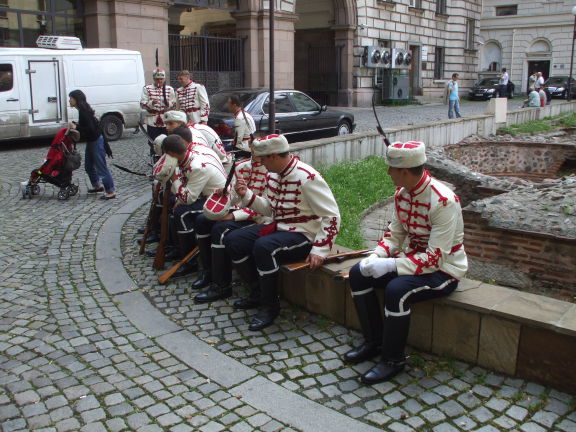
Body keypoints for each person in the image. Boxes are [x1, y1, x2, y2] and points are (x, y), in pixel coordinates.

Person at [344, 141, 467, 385]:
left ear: (404, 171)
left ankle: (393, 360)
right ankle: (373, 342)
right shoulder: (402, 194)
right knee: (358, 273)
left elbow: (435, 258)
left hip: (445, 270)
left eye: (391, 168)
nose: (388, 172)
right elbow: (395, 233)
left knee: (397, 290)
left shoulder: (443, 202)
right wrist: (377, 255)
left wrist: (390, 266)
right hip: (412, 261)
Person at [226, 134, 341, 331]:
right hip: (279, 228)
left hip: (304, 234)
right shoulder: (272, 175)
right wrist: (247, 195)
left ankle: (270, 307)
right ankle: (257, 293)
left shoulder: (307, 177)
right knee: (234, 240)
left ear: (274, 157)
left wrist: (320, 250)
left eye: (262, 159)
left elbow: (332, 216)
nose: (260, 163)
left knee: (264, 247)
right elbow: (270, 209)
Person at [192, 147, 271, 302]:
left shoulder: (271, 171)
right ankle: (208, 272)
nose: (255, 153)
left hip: (258, 217)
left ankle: (222, 286)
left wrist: (233, 216)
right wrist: (226, 193)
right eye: (253, 148)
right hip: (240, 211)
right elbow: (235, 196)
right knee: (202, 220)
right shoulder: (242, 166)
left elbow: (266, 208)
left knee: (220, 230)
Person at [158, 135, 227, 278]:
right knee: (176, 206)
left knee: (181, 213)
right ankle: (178, 248)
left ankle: (190, 262)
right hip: (204, 195)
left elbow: (187, 198)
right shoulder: (187, 158)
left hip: (219, 200)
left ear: (171, 154)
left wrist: (174, 179)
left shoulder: (196, 166)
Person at [69, 89, 116, 200]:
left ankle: (110, 191)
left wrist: (76, 127)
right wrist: (78, 124)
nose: (69, 101)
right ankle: (97, 185)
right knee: (89, 166)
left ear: (76, 99)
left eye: (71, 98)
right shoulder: (82, 110)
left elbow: (90, 129)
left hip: (96, 141)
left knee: (101, 167)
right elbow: (90, 125)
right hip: (92, 141)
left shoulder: (83, 111)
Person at [140, 68, 176, 141]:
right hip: (152, 119)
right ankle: (152, 152)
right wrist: (151, 103)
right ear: (154, 79)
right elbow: (142, 103)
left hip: (166, 119)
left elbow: (174, 103)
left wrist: (168, 103)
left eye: (161, 79)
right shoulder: (147, 88)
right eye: (157, 79)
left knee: (166, 139)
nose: (159, 81)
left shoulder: (169, 89)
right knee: (153, 140)